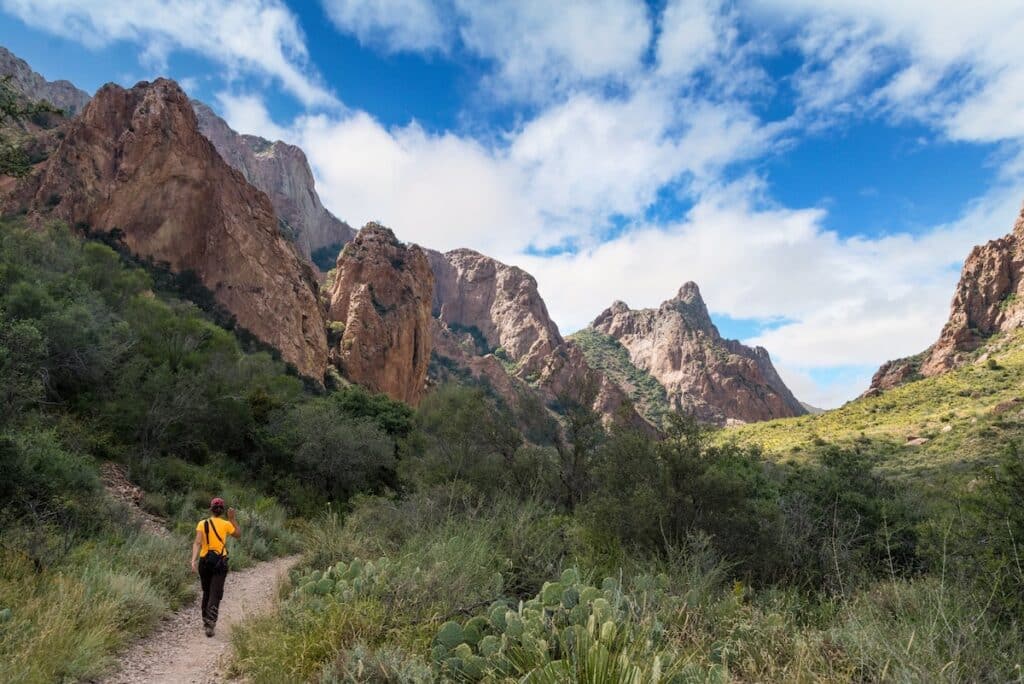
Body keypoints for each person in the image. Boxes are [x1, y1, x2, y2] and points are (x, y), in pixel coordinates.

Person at [190, 497, 241, 637]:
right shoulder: (226, 524)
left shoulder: (202, 523)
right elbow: (238, 534)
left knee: (206, 592)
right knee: (215, 592)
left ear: (210, 509)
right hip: (220, 562)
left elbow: (197, 543)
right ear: (222, 511)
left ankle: (206, 622)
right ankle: (210, 623)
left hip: (204, 561)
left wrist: (193, 560)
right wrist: (232, 519)